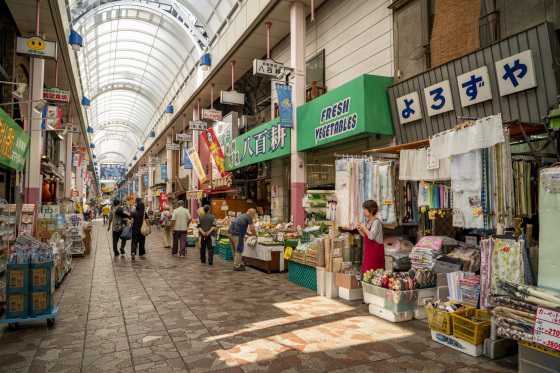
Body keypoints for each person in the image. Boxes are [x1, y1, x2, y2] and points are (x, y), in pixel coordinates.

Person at [357, 200, 385, 274]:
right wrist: (360, 231)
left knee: (374, 274)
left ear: (371, 211)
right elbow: (367, 236)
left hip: (375, 253)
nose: (363, 211)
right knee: (367, 273)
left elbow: (371, 236)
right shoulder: (368, 221)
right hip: (369, 252)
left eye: (365, 209)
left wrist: (364, 227)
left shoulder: (376, 222)